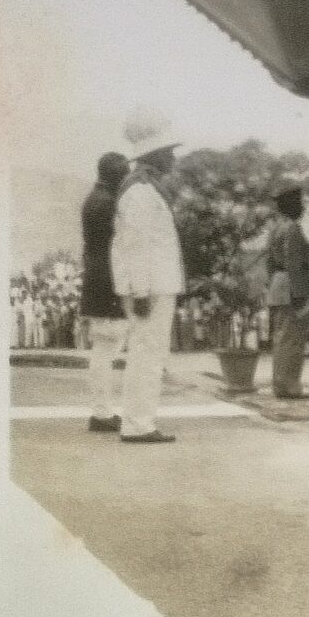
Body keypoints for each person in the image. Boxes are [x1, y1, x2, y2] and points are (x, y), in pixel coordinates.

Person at [110, 110, 185, 444]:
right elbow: (137, 245)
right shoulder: (140, 191)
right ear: (154, 154)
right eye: (168, 151)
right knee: (147, 355)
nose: (173, 156)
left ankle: (138, 421)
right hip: (150, 287)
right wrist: (140, 291)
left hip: (154, 285)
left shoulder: (146, 188)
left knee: (148, 353)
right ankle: (139, 424)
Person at [80, 151, 130, 432]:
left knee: (104, 348)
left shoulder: (95, 199)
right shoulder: (108, 203)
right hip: (107, 280)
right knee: (106, 347)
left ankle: (101, 411)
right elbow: (116, 247)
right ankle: (101, 413)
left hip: (97, 278)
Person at [266, 176, 309, 399]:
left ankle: (281, 384)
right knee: (293, 340)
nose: (302, 207)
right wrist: (298, 294)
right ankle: (289, 386)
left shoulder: (275, 228)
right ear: (293, 206)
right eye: (299, 203)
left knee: (281, 339)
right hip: (292, 287)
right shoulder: (293, 228)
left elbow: (270, 263)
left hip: (278, 285)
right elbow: (294, 264)